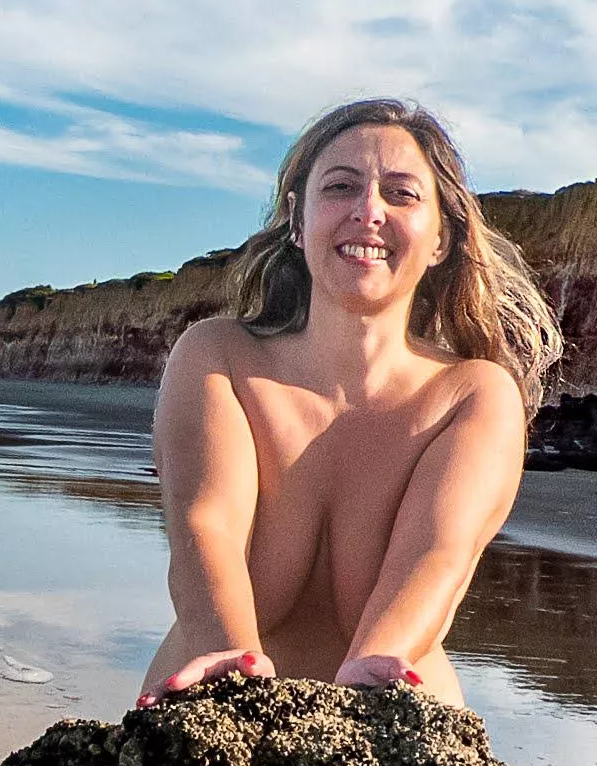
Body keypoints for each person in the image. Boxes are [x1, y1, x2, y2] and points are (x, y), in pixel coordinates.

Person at [139, 98, 561, 711]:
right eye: (340, 187)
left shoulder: (472, 395)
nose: (369, 212)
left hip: (390, 737)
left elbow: (438, 554)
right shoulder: (217, 357)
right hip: (208, 715)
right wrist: (235, 679)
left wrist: (366, 678)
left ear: (442, 237)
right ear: (296, 220)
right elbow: (205, 526)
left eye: (402, 194)